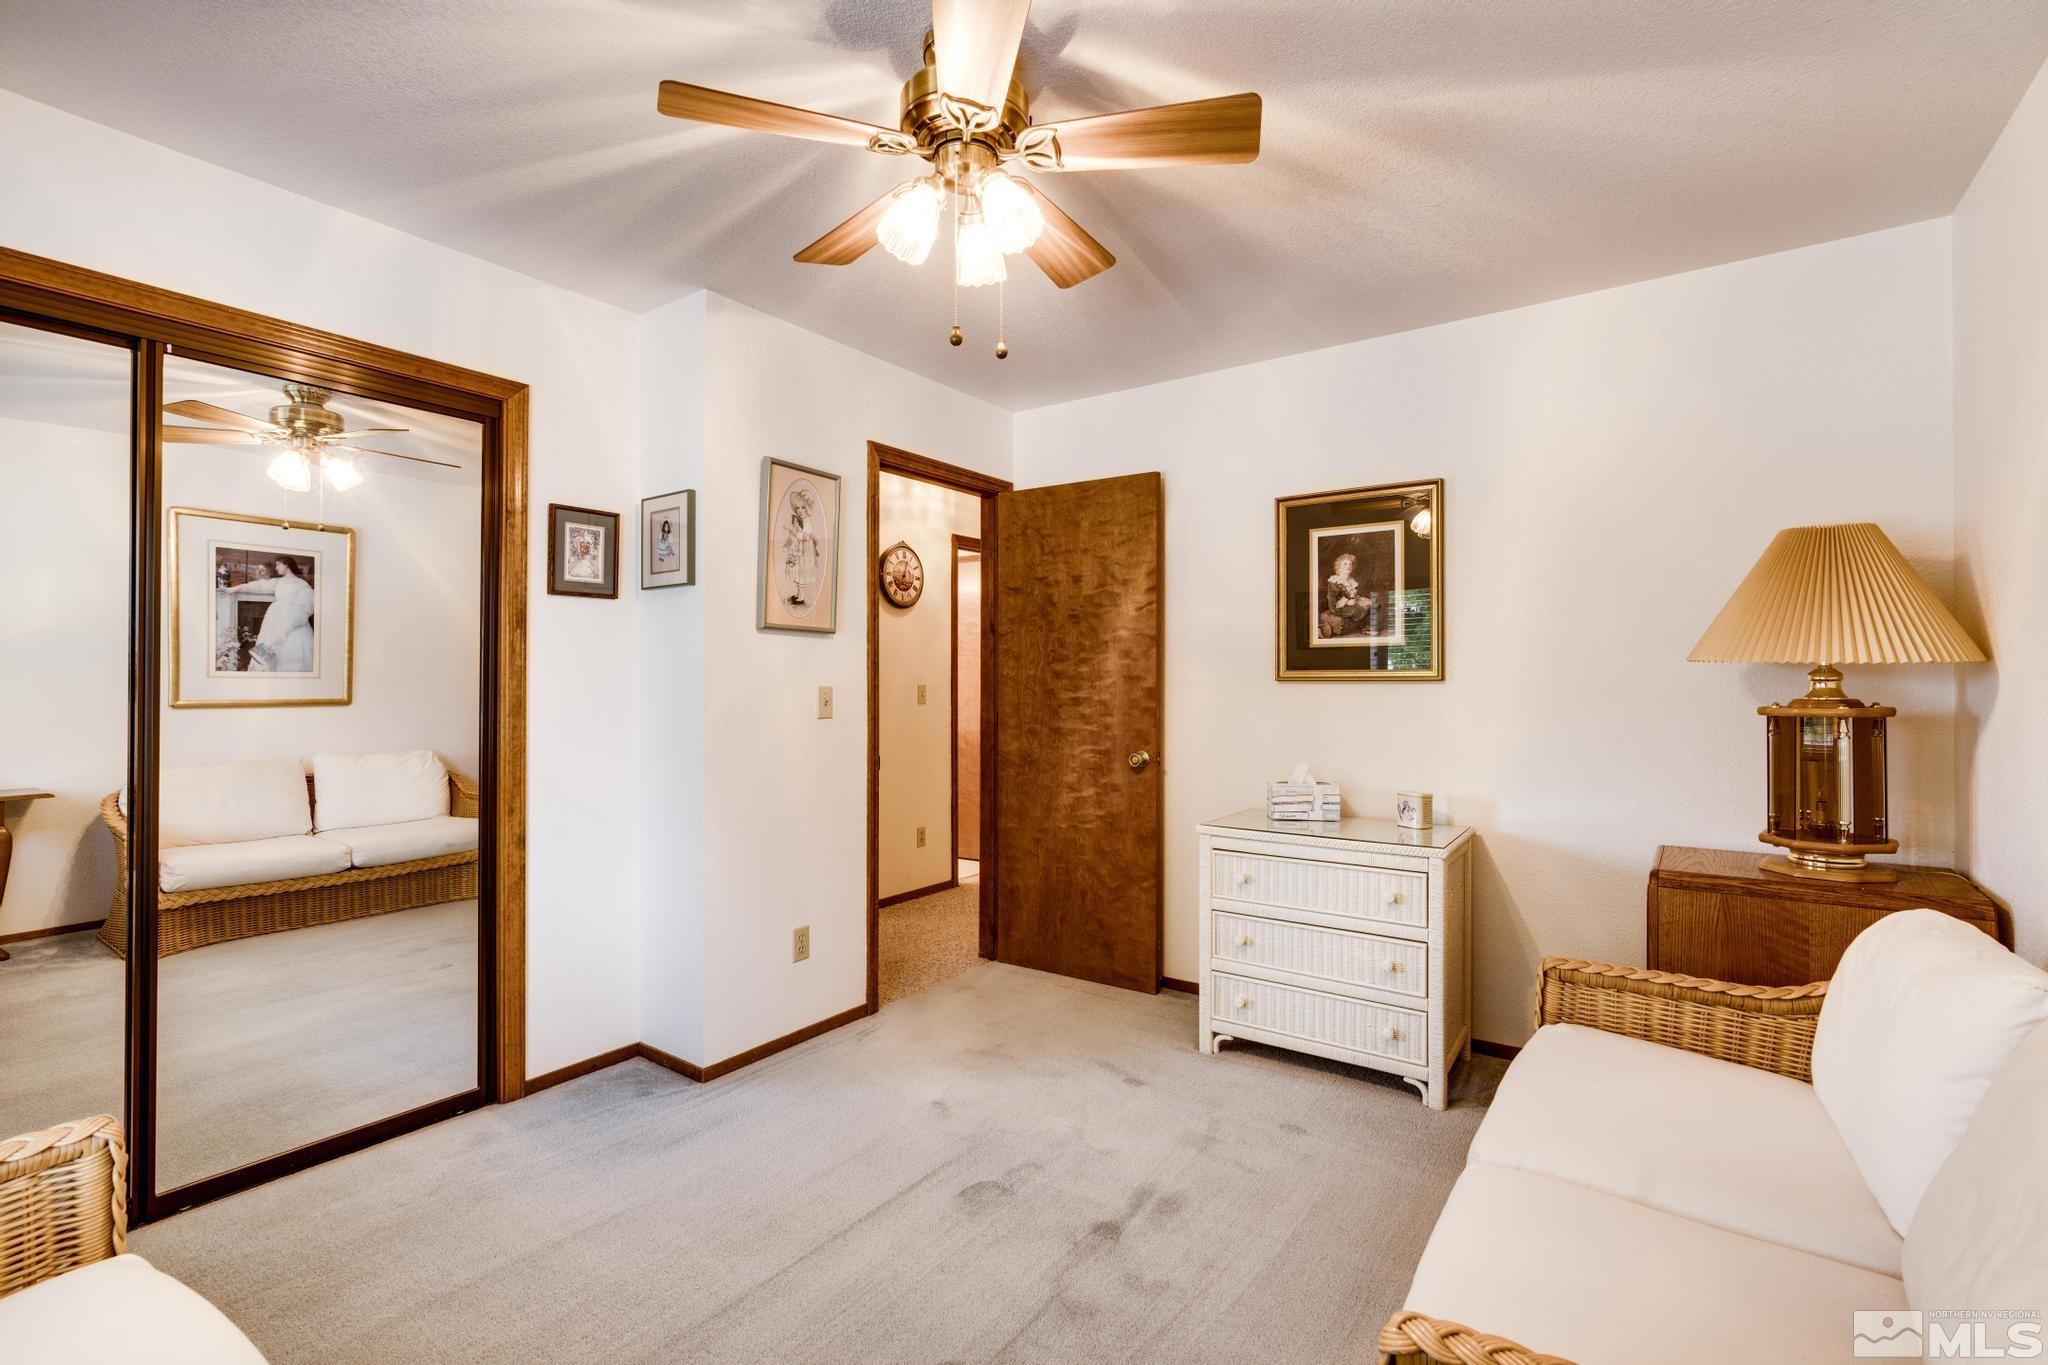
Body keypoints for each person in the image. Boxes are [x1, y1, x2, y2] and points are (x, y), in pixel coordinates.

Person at [225, 555, 316, 672]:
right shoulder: (279, 582)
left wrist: (284, 630)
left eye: (278, 564)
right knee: (267, 649)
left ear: (286, 565)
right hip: (274, 621)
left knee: (289, 656)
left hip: (293, 627)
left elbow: (305, 609)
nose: (276, 568)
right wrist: (236, 588)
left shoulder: (302, 585)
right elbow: (258, 585)